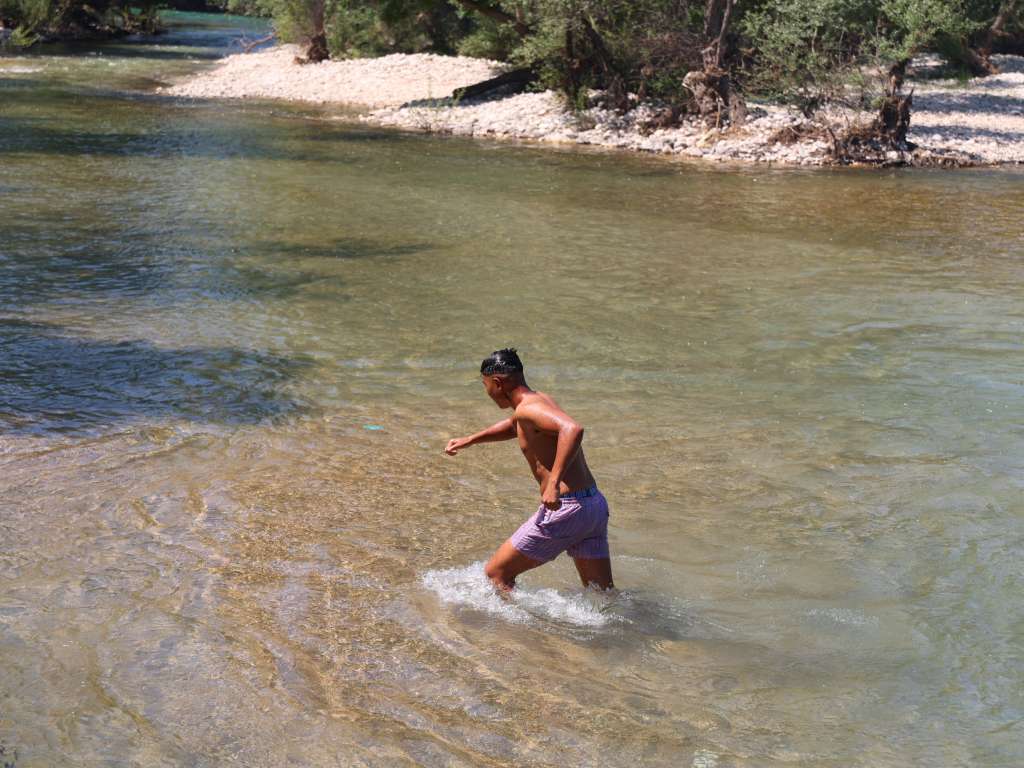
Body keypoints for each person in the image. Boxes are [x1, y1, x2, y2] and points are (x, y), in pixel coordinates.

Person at [445, 348, 613, 592]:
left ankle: (511, 620)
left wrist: (553, 483)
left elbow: (572, 429)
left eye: (485, 385)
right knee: (601, 595)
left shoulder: (528, 409)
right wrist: (470, 440)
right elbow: (516, 425)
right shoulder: (538, 401)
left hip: (567, 508)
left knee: (496, 574)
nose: (487, 392)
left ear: (497, 383)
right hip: (592, 506)